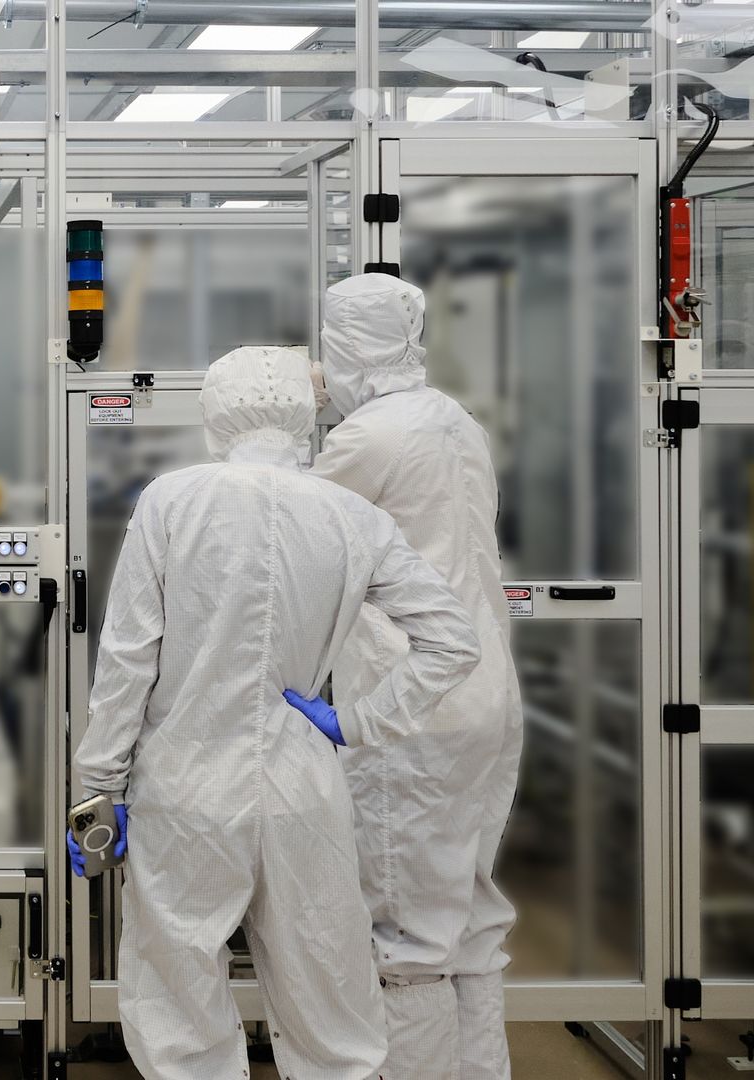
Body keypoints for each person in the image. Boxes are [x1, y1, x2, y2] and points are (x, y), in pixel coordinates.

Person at [70, 345, 481, 1080]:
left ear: (214, 412)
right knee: (331, 1013)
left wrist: (101, 785)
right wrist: (355, 721)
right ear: (305, 415)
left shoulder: (171, 500)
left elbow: (126, 658)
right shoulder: (350, 514)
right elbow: (452, 641)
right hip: (303, 793)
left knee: (180, 1014)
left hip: (185, 793)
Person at [310, 273, 524, 1080]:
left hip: (414, 706)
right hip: (487, 698)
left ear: (345, 344)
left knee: (405, 942)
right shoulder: (454, 421)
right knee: (468, 922)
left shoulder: (369, 435)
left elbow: (297, 539)